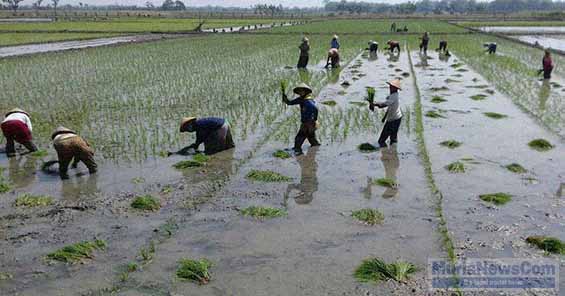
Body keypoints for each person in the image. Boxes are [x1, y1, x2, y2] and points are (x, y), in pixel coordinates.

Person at [282, 83, 320, 155]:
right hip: (309, 123)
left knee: (299, 138)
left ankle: (297, 150)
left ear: (305, 91)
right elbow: (290, 103)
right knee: (311, 138)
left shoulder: (308, 101)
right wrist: (285, 99)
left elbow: (315, 108)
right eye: (299, 91)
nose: (300, 92)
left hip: (308, 123)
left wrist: (315, 120)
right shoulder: (301, 99)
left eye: (301, 91)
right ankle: (316, 148)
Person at [369, 79, 402, 148]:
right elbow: (390, 107)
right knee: (393, 138)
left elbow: (383, 105)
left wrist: (375, 104)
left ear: (396, 88)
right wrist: (384, 117)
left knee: (381, 140)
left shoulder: (394, 97)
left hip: (393, 120)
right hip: (397, 118)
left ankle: (386, 152)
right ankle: (393, 153)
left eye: (392, 86)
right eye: (390, 86)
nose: (390, 87)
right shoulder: (392, 95)